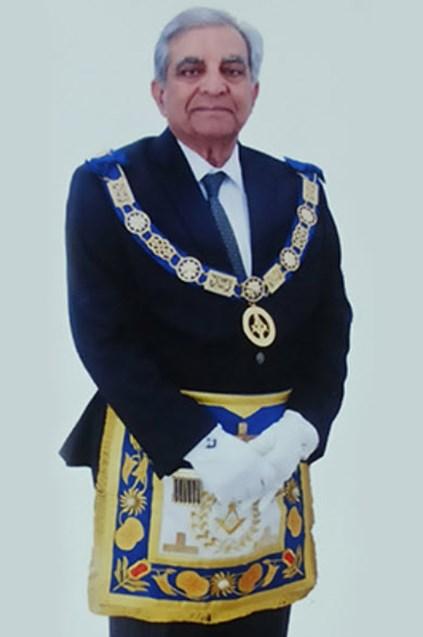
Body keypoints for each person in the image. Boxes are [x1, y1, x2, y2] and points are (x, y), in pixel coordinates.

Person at [61, 7, 352, 637]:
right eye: (191, 70)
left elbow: (332, 323)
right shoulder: (108, 186)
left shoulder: (298, 190)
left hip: (273, 469)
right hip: (163, 464)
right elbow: (103, 337)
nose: (215, 84)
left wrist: (304, 428)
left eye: (233, 69)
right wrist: (204, 448)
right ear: (159, 92)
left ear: (254, 90)